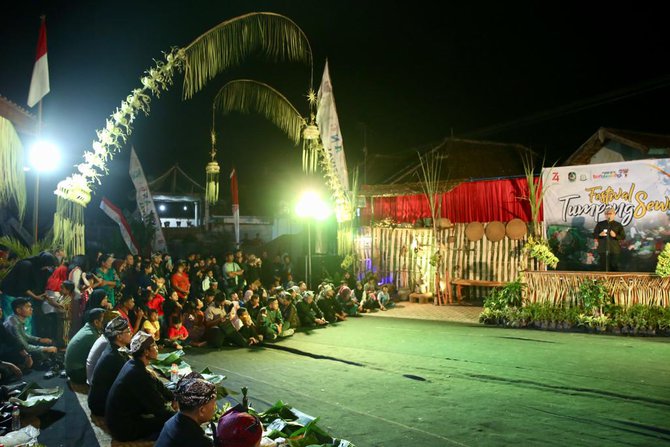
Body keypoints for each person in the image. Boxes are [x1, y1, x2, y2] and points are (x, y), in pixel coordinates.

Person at [105, 331, 176, 441]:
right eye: (154, 346)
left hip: (120, 419)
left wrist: (173, 397)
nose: (157, 348)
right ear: (146, 352)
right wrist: (183, 417)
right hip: (123, 428)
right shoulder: (138, 375)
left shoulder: (134, 364)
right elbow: (160, 409)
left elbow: (157, 384)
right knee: (171, 422)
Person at [155, 372, 218, 447]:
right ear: (202, 410)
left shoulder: (172, 421)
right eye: (214, 403)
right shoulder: (199, 441)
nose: (215, 407)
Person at [87, 317, 132, 416]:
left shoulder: (113, 347)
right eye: (128, 331)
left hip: (97, 400)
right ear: (119, 337)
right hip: (100, 406)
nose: (131, 333)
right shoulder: (114, 356)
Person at [3, 298, 57, 368]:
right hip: (9, 353)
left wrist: (39, 339)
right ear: (18, 310)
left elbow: (23, 335)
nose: (31, 309)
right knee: (41, 353)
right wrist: (46, 348)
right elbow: (25, 347)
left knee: (42, 346)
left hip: (17, 348)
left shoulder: (13, 318)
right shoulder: (14, 324)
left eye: (30, 306)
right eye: (28, 307)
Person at [64, 308, 104, 383]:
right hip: (76, 373)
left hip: (71, 370)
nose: (105, 324)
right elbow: (100, 357)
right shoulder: (91, 335)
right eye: (103, 321)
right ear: (96, 322)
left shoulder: (88, 328)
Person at [593, 206, 626, 272]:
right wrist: (600, 234)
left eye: (610, 213)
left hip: (614, 249)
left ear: (614, 214)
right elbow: (594, 234)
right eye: (606, 214)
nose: (608, 215)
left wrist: (615, 235)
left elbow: (623, 236)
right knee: (603, 267)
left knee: (614, 266)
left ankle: (614, 281)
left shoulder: (618, 225)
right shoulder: (600, 224)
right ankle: (603, 281)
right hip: (602, 249)